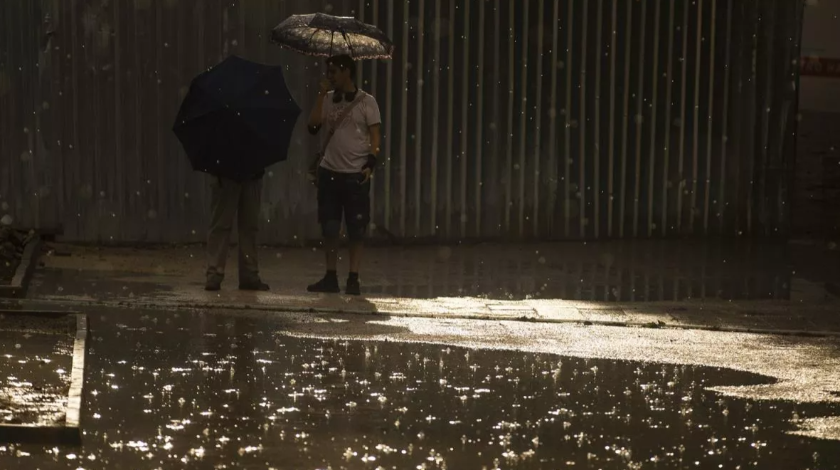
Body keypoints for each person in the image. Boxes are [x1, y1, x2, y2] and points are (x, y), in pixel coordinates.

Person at [306, 54, 381, 296]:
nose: (330, 76)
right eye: (328, 71)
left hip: (354, 174)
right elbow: (312, 126)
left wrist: (371, 163)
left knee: (356, 228)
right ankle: (330, 276)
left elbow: (376, 137)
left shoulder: (366, 102)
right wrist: (320, 95)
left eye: (334, 71)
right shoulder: (327, 99)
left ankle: (353, 278)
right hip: (330, 172)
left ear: (347, 71)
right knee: (329, 226)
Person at [204, 170, 269, 292]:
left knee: (245, 226)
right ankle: (217, 274)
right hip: (231, 173)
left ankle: (217, 274)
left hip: (240, 172)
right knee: (226, 225)